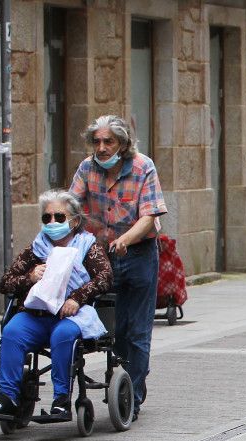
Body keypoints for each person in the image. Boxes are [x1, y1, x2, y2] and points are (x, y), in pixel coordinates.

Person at [69, 115, 167, 420]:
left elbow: (149, 216)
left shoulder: (143, 166)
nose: (101, 147)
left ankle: (132, 396)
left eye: (108, 141)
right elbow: (71, 206)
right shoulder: (87, 168)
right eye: (96, 141)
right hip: (101, 257)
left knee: (137, 330)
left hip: (138, 252)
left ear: (122, 143)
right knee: (112, 330)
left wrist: (125, 239)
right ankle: (125, 381)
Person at [0, 191, 112, 419]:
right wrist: (30, 277)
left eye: (59, 217)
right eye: (47, 218)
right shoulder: (36, 249)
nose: (52, 222)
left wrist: (77, 298)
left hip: (70, 315)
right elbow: (5, 283)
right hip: (36, 314)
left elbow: (104, 277)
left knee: (63, 335)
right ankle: (7, 397)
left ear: (74, 221)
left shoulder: (87, 246)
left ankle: (61, 399)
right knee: (12, 332)